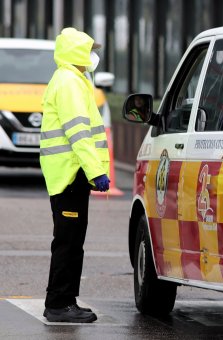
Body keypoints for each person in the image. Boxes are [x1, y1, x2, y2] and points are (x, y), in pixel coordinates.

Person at [39, 27, 111, 323]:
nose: (93, 56)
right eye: (89, 49)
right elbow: (79, 134)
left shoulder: (74, 80)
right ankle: (58, 304)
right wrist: (97, 172)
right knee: (68, 242)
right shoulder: (69, 82)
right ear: (77, 52)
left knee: (71, 240)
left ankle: (65, 300)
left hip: (71, 174)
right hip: (70, 175)